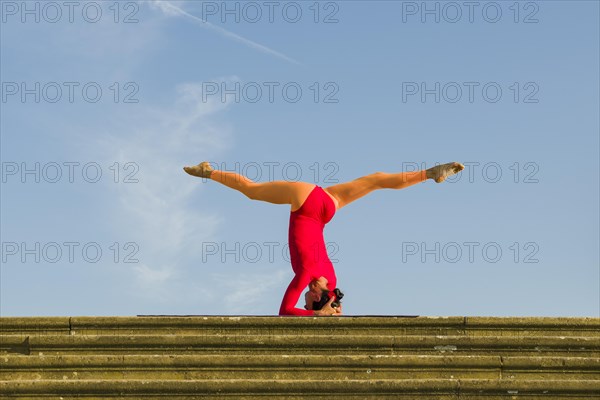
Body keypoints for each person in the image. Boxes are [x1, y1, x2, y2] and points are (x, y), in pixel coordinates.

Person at [184, 161, 464, 316]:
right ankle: (209, 171)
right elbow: (285, 311)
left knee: (376, 180)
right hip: (304, 201)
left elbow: (333, 299)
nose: (304, 299)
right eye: (308, 301)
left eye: (306, 302)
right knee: (252, 190)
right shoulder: (306, 274)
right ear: (316, 296)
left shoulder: (332, 279)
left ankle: (429, 174)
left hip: (326, 208)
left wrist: (330, 309)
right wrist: (317, 315)